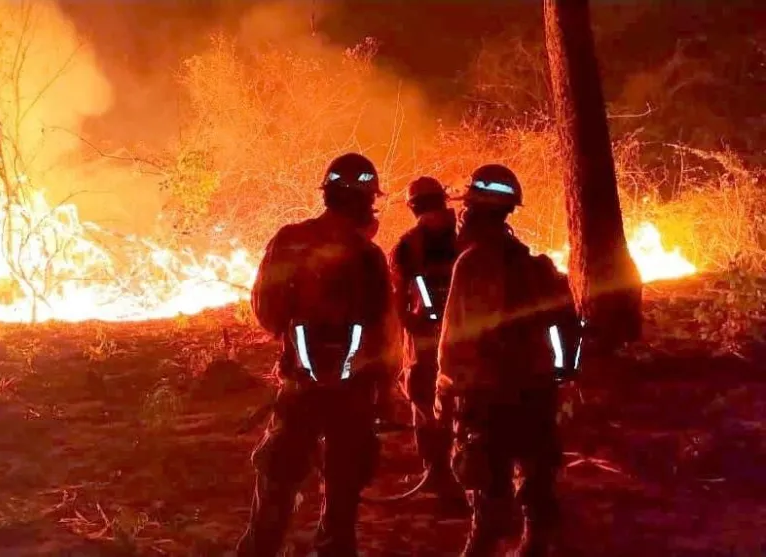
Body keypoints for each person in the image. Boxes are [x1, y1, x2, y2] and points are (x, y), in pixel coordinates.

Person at [236, 153, 400, 557]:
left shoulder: (290, 240)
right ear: (368, 202)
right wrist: (385, 389)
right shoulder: (369, 256)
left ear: (327, 194)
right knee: (342, 499)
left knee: (277, 485)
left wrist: (298, 343)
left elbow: (266, 311)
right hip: (354, 395)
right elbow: (385, 330)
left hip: (299, 389)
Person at [438, 164, 583, 557]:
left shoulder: (470, 265)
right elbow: (570, 325)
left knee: (487, 497)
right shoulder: (537, 266)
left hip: (487, 398)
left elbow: (454, 339)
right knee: (536, 489)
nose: (462, 216)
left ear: (476, 212)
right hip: (535, 392)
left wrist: (446, 389)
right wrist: (562, 375)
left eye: (467, 208)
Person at [388, 176, 467, 511]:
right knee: (461, 405)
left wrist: (406, 333)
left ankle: (437, 474)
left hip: (424, 341)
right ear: (444, 200)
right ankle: (461, 474)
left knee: (424, 405)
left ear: (411, 207)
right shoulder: (467, 237)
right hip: (465, 337)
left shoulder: (406, 246)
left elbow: (396, 302)